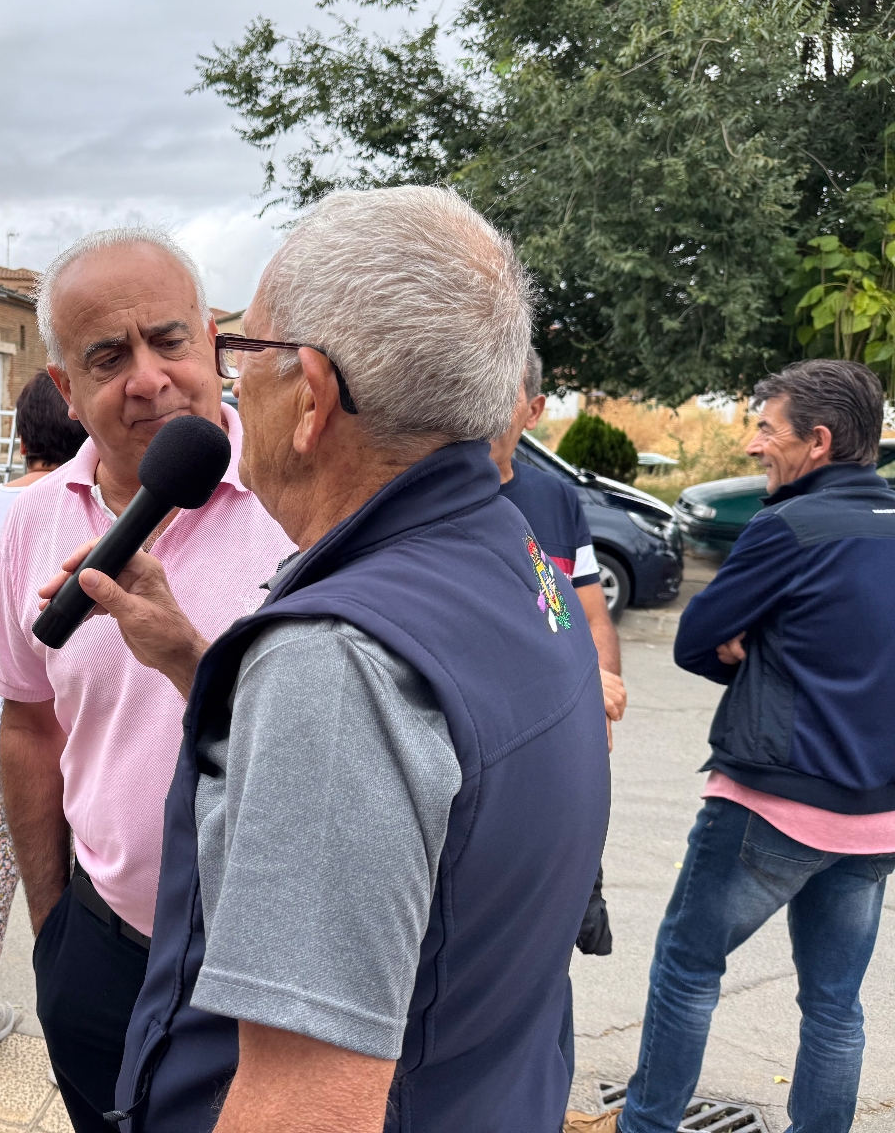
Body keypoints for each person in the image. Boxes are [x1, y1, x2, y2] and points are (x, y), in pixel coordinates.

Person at [48, 188, 609, 1132]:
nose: (228, 385)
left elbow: (305, 1103)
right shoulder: (512, 554)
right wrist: (195, 661)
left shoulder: (338, 662)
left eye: (241, 351)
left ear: (310, 395)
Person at [0, 228, 294, 1130]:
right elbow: (27, 722)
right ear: (65, 388)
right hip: (102, 951)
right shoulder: (31, 522)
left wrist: (187, 655)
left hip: (268, 976)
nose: (149, 378)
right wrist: (53, 929)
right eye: (108, 357)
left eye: (168, 340)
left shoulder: (304, 499)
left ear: (213, 340)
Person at [568, 359, 895, 1133]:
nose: (752, 445)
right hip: (877, 820)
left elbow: (695, 640)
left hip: (771, 802)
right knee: (835, 1004)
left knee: (688, 970)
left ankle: (646, 1125)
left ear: (818, 441)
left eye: (766, 429)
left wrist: (760, 645)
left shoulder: (788, 527)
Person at [0, 370, 88, 1073]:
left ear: (24, 435)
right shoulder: (96, 506)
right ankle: (79, 1023)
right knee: (85, 879)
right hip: (80, 724)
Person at [489, 346, 625, 965]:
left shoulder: (556, 502)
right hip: (483, 756)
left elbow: (584, 616)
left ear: (535, 410)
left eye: (504, 387)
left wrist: (598, 689)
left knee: (543, 948)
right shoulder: (427, 495)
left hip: (553, 756)